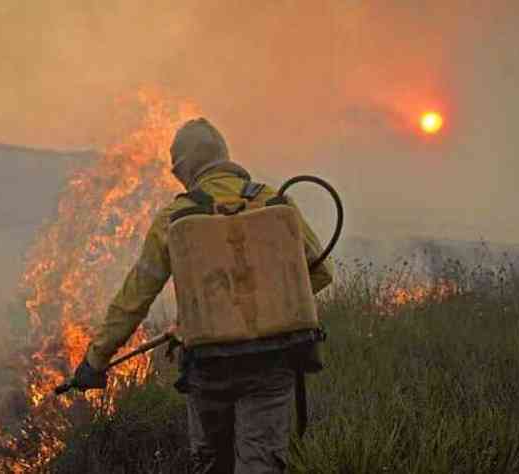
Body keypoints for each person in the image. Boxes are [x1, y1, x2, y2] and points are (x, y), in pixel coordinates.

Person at [72, 117, 334, 473]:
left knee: (211, 464)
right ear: (223, 156)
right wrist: (265, 305)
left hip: (210, 366)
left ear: (185, 169)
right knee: (260, 464)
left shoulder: (174, 217)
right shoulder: (274, 201)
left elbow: (133, 301)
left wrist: (94, 361)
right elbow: (321, 272)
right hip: (272, 362)